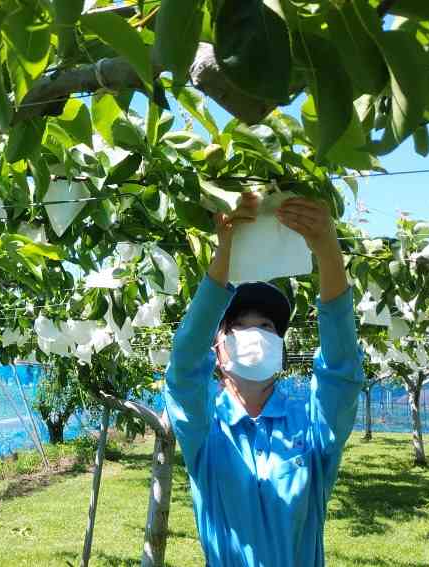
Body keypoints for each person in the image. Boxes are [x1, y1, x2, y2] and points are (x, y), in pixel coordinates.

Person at [165, 192, 363, 566]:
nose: (254, 334)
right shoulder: (205, 428)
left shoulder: (310, 426)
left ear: (280, 348)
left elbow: (341, 373)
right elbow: (183, 368)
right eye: (238, 326)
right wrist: (223, 253)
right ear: (218, 350)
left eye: (267, 326)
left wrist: (327, 251)